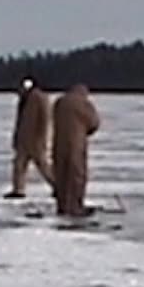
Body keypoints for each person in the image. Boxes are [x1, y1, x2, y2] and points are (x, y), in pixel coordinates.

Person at [51, 83, 100, 217]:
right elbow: (94, 123)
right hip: (76, 144)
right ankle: (75, 206)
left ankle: (62, 205)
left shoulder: (59, 102)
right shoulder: (84, 104)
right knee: (76, 175)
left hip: (58, 143)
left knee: (61, 174)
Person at [4, 77, 55, 199]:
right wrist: (16, 137)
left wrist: (42, 137)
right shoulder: (23, 100)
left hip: (35, 139)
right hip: (24, 138)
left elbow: (45, 119)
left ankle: (57, 186)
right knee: (19, 165)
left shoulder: (40, 98)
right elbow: (20, 121)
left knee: (43, 166)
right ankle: (18, 189)